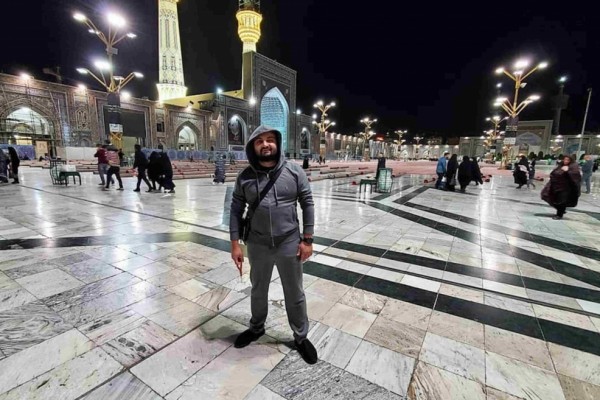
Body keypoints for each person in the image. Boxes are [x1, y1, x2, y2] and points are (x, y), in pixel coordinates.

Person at [229, 126, 317, 365]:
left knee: (294, 292)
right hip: (257, 244)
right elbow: (236, 209)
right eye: (259, 141)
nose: (265, 144)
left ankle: (300, 337)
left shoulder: (294, 172)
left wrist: (307, 239)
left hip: (289, 242)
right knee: (258, 290)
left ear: (277, 143)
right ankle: (256, 328)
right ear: (253, 147)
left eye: (270, 140)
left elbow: (307, 203)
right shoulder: (245, 177)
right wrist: (235, 244)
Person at [542, 155, 581, 219]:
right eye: (565, 159)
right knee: (548, 197)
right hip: (556, 186)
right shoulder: (561, 165)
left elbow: (575, 176)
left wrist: (568, 171)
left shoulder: (573, 167)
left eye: (567, 160)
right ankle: (561, 211)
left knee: (561, 201)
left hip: (566, 188)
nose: (566, 161)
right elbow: (554, 173)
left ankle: (559, 214)